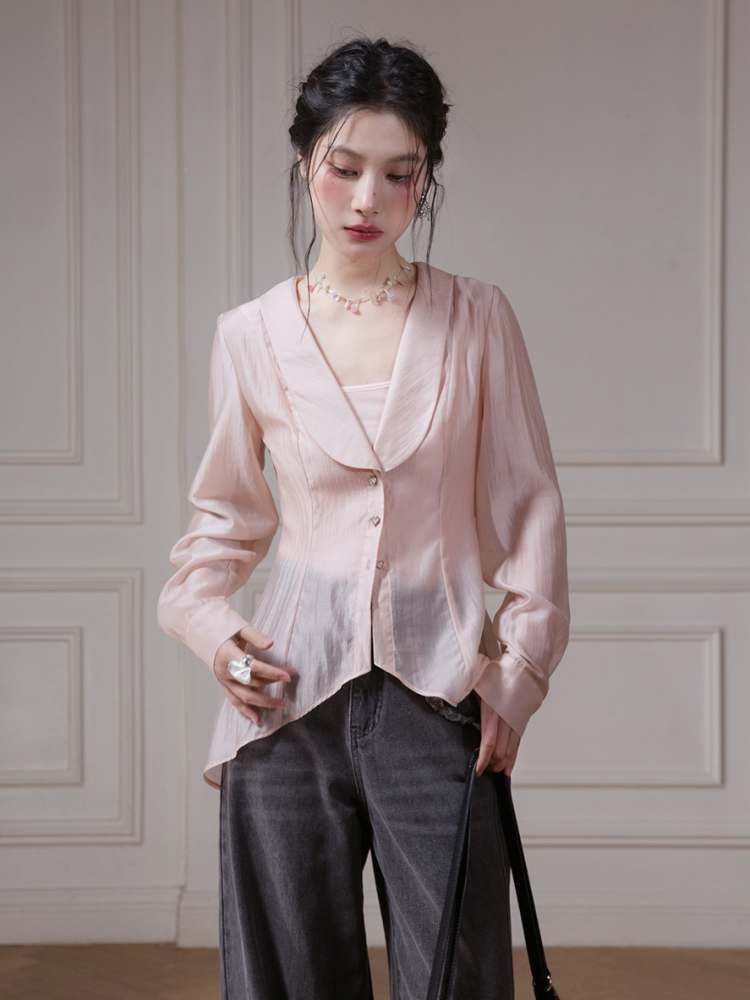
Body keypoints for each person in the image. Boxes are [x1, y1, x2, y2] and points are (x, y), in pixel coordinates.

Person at [157, 35, 570, 1000]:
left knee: (458, 977)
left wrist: (516, 680)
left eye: (398, 174)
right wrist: (218, 640)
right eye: (343, 168)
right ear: (306, 159)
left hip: (441, 698)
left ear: (426, 177)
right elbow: (219, 529)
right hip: (284, 703)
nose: (365, 200)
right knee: (285, 980)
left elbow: (531, 508)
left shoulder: (477, 319)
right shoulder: (251, 336)